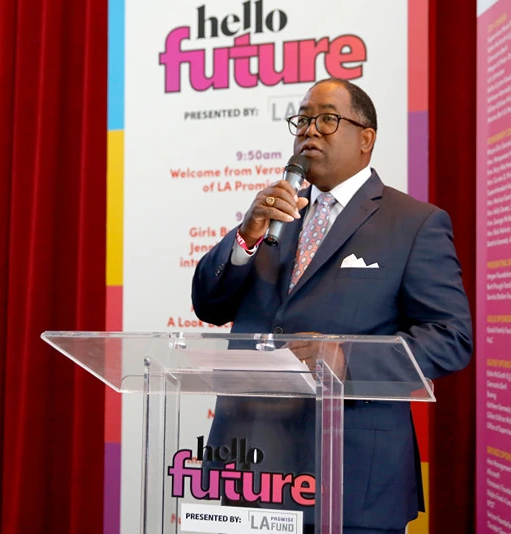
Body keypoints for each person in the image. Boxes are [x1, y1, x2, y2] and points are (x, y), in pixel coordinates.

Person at [192, 78, 473, 533]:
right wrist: (246, 234)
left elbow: (450, 338)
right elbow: (208, 304)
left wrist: (346, 359)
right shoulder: (275, 214)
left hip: (351, 474)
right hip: (249, 467)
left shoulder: (415, 223)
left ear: (366, 138)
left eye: (326, 119)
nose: (309, 131)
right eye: (302, 120)